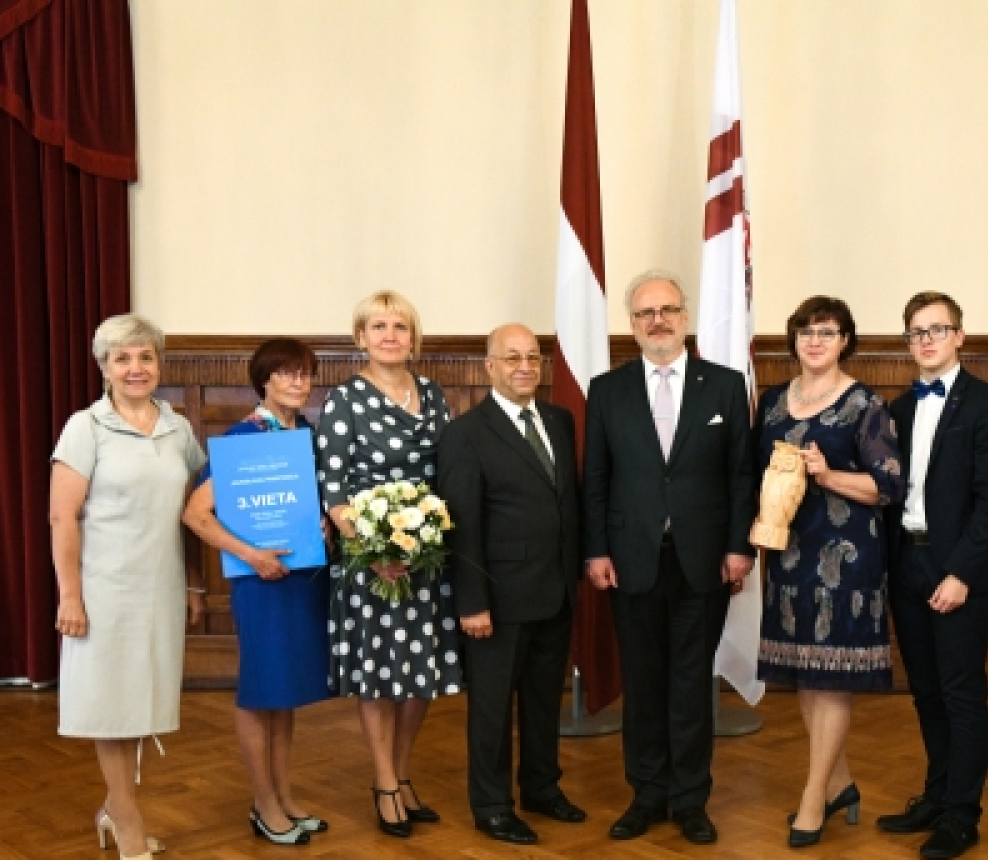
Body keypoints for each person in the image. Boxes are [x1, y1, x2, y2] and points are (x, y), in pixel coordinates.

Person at [583, 269, 757, 845]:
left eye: (667, 311)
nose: (657, 321)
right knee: (643, 683)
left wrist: (739, 546)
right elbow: (596, 479)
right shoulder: (607, 390)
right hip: (630, 560)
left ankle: (690, 800)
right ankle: (646, 794)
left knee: (691, 684)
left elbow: (740, 474)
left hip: (704, 562)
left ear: (685, 317)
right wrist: (596, 550)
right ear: (632, 325)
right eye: (645, 313)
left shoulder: (725, 386)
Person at [49, 314, 207, 860]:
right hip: (104, 589)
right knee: (111, 704)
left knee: (141, 700)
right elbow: (62, 518)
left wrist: (194, 585)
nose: (136, 368)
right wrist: (70, 594)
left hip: (160, 586)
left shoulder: (178, 429)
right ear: (104, 367)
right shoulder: (85, 428)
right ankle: (125, 816)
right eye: (123, 358)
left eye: (145, 357)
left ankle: (113, 808)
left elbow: (190, 512)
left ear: (159, 364)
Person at [753, 296, 905, 848]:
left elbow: (887, 487)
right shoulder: (773, 401)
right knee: (805, 673)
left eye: (827, 332)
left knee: (832, 678)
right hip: (789, 554)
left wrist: (828, 474)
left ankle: (813, 797)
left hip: (847, 560)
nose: (815, 341)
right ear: (794, 340)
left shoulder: (865, 404)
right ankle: (840, 784)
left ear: (845, 341)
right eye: (806, 332)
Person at [313, 291, 463, 838]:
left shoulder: (433, 393)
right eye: (378, 326)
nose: (390, 336)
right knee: (380, 675)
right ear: (361, 338)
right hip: (369, 563)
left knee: (421, 673)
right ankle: (382, 782)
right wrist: (375, 551)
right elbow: (332, 488)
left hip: (426, 558)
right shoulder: (344, 400)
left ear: (413, 337)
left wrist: (424, 540)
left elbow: (448, 471)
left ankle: (401, 774)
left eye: (400, 326)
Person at [878, 291, 988, 859]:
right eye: (917, 331)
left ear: (959, 336)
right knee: (925, 690)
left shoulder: (987, 404)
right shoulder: (899, 408)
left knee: (961, 693)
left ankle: (963, 814)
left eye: (938, 329)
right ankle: (936, 796)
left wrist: (961, 573)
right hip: (907, 562)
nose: (927, 340)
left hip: (961, 567)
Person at [437, 323, 585, 846]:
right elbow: (462, 524)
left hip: (555, 590)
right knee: (493, 709)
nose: (525, 367)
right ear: (490, 367)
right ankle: (493, 806)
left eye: (533, 358)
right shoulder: (465, 434)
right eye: (512, 358)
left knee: (544, 701)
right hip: (496, 600)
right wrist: (472, 602)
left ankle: (542, 788)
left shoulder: (559, 420)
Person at [181, 338, 331, 846]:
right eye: (286, 373)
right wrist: (251, 555)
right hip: (262, 584)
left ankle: (284, 796)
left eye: (304, 373)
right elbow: (195, 514)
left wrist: (325, 528)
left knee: (284, 694)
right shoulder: (243, 438)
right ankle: (263, 803)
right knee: (260, 690)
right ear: (263, 381)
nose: (298, 382)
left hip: (302, 581)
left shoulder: (307, 435)